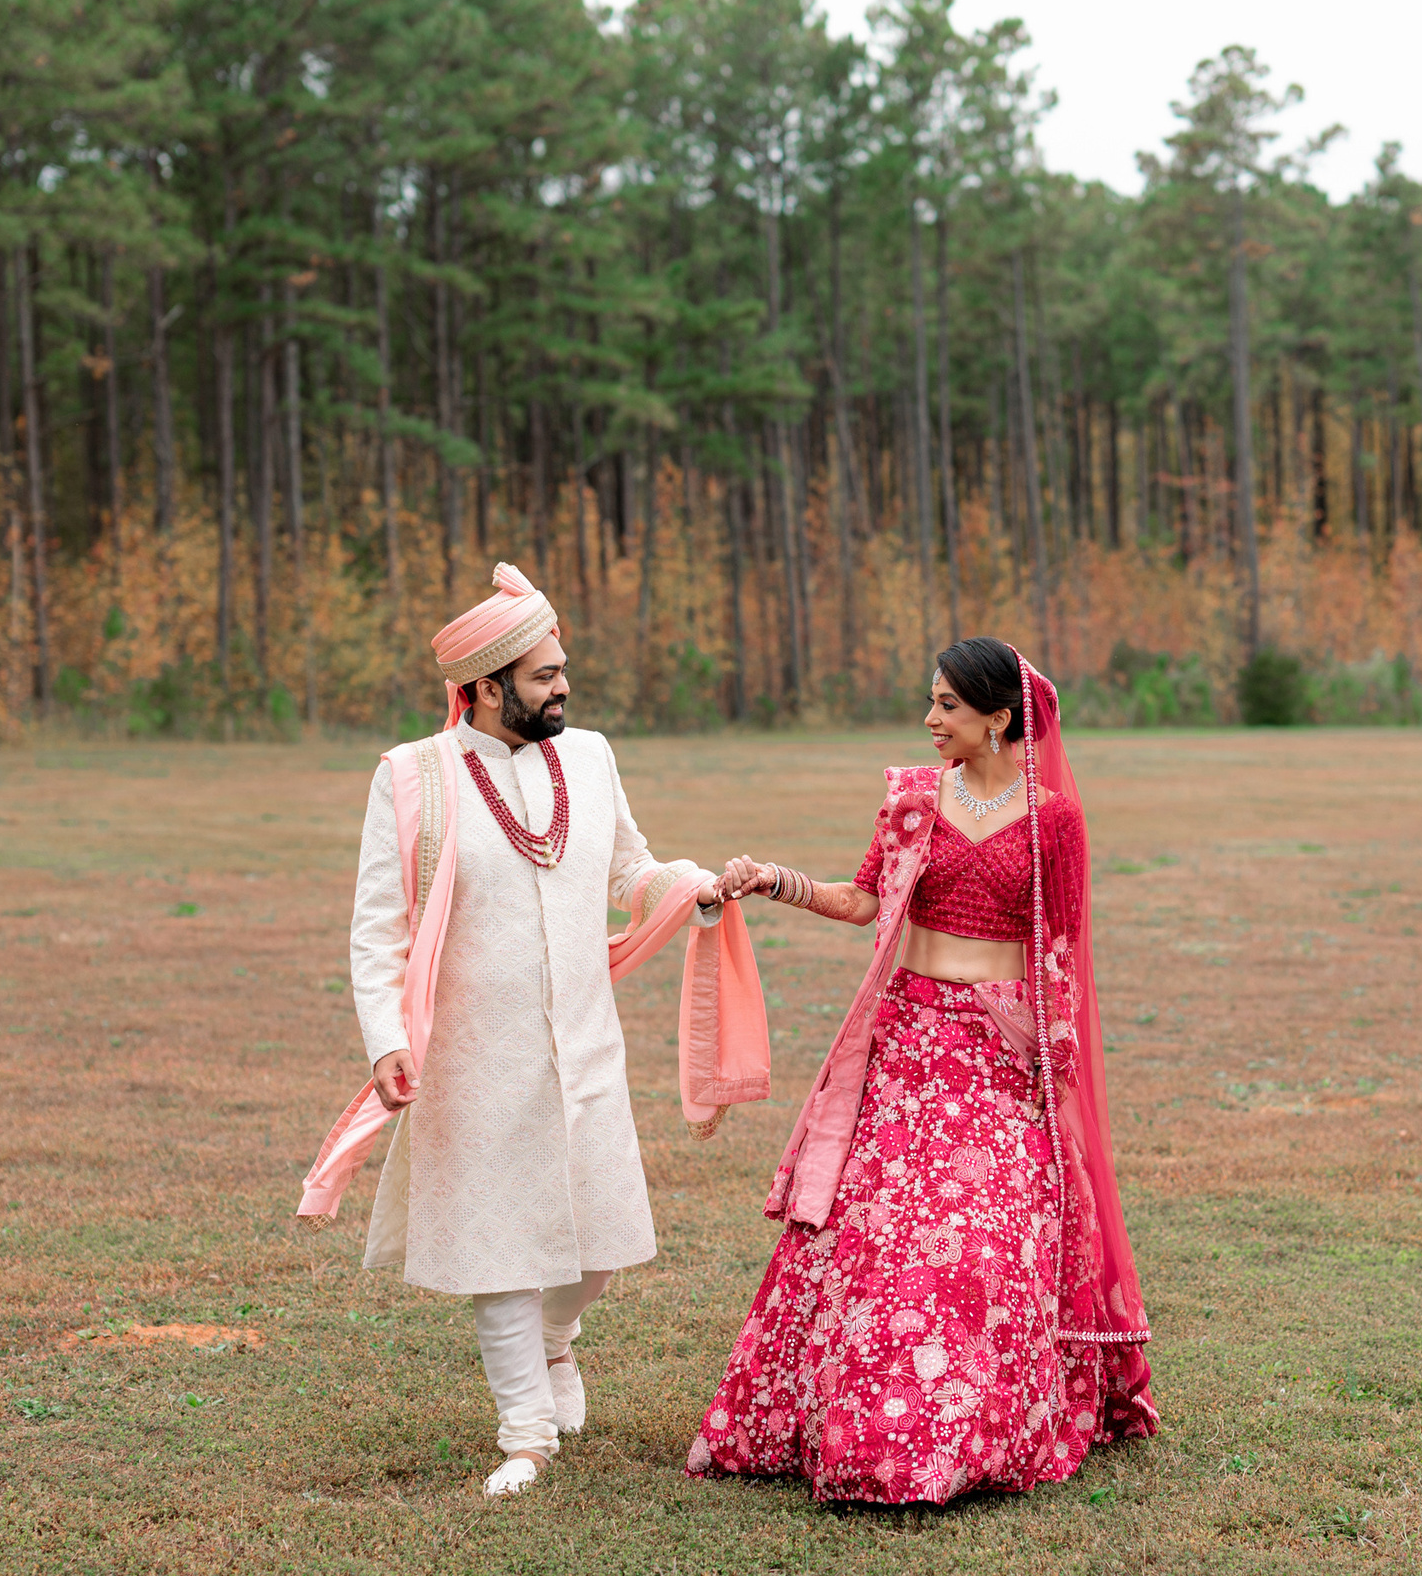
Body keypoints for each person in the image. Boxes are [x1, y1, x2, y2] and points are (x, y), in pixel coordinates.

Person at [296, 563, 768, 1499]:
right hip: (474, 1056)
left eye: (562, 668)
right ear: (482, 686)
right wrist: (384, 1034)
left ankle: (558, 1339)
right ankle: (525, 1436)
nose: (563, 685)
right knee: (500, 1246)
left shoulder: (589, 756)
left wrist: (692, 885)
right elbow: (378, 925)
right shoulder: (412, 778)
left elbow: (628, 864)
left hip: (585, 1045)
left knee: (598, 1248)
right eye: (545, 673)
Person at [685, 636, 1157, 1505]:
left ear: (998, 717)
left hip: (999, 1056)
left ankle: (973, 1428)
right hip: (908, 1047)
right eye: (931, 701)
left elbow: (1062, 949)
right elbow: (865, 900)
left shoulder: (1054, 818)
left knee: (985, 1244)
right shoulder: (911, 799)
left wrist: (1047, 1062)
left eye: (946, 705)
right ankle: (864, 1431)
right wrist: (774, 880)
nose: (930, 719)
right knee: (878, 1241)